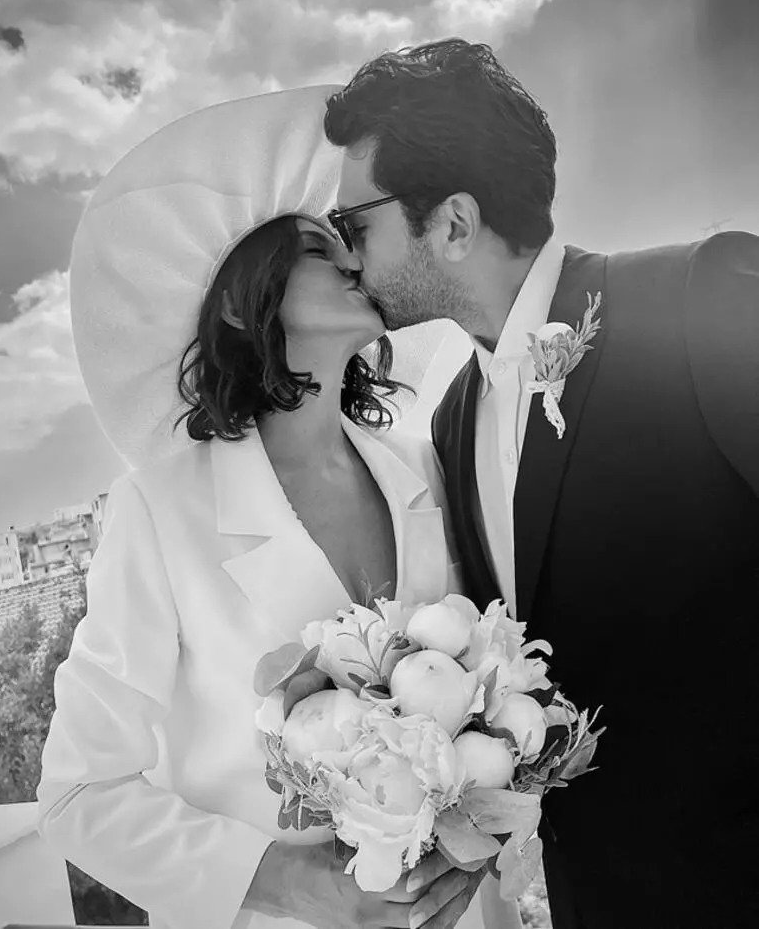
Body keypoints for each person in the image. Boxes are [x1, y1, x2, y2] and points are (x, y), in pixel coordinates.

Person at [36, 86, 515, 929]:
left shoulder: (422, 467)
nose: (353, 256)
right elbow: (78, 792)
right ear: (238, 301)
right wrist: (291, 884)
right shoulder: (159, 509)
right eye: (317, 248)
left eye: (348, 238)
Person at [323, 39, 759, 929]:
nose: (347, 260)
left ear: (453, 223)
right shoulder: (451, 424)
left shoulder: (696, 298)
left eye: (354, 226)